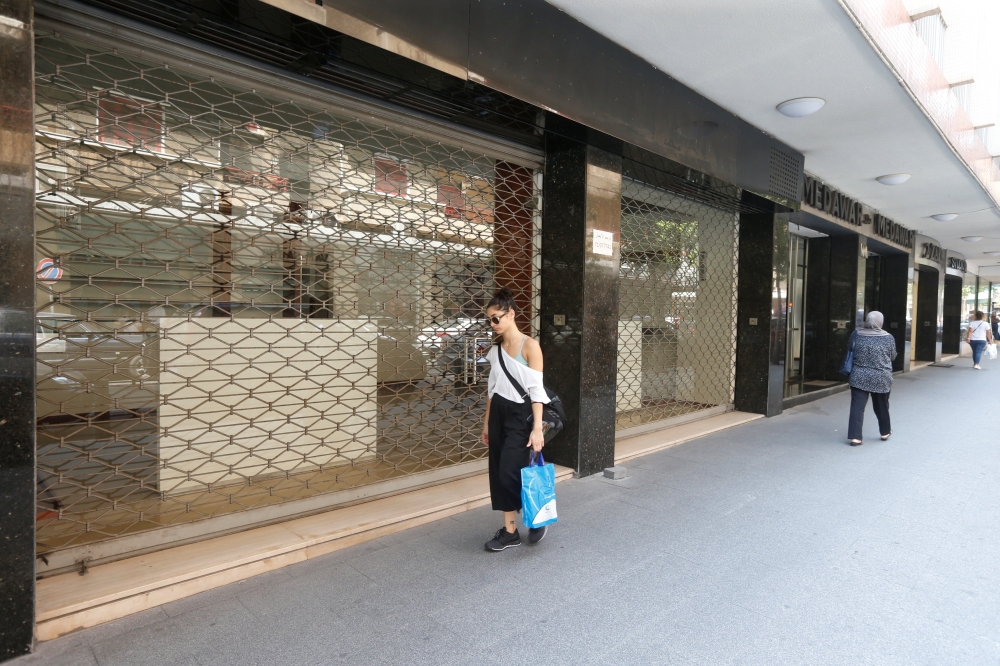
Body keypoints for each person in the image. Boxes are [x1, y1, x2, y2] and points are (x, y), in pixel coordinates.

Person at [482, 287, 549, 551]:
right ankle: (510, 531)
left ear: (511, 314)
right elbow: (492, 389)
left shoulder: (530, 346)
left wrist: (537, 428)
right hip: (498, 412)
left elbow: (536, 391)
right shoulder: (496, 349)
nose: (493, 324)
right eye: (489, 319)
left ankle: (535, 515)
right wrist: (487, 422)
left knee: (510, 471)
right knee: (498, 473)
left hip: (520, 415)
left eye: (496, 318)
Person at [847, 311, 896, 446]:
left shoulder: (856, 334)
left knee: (857, 407)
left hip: (859, 376)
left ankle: (856, 437)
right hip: (881, 376)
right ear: (880, 321)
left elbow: (850, 349)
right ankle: (885, 432)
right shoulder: (888, 337)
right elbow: (893, 356)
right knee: (881, 406)